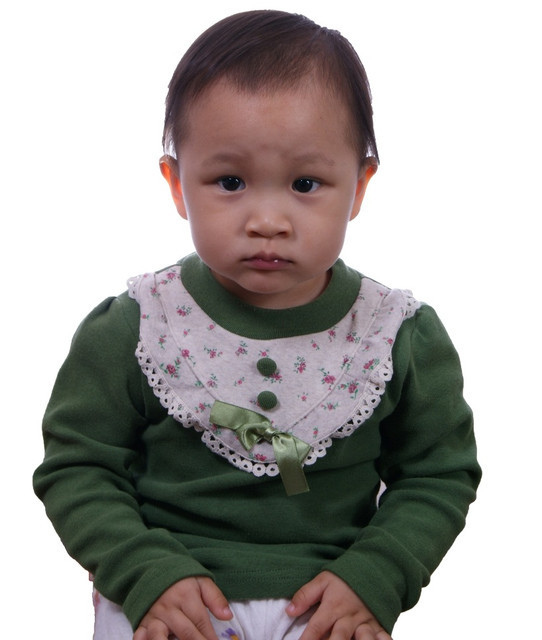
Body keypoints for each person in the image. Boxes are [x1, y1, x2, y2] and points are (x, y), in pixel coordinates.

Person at [33, 9, 481, 640]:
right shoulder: (139, 325)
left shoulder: (394, 335)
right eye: (230, 181)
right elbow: (78, 466)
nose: (267, 220)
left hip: (331, 599)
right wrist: (139, 568)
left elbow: (438, 473)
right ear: (177, 184)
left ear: (358, 186)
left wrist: (379, 573)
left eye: (306, 183)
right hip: (168, 594)